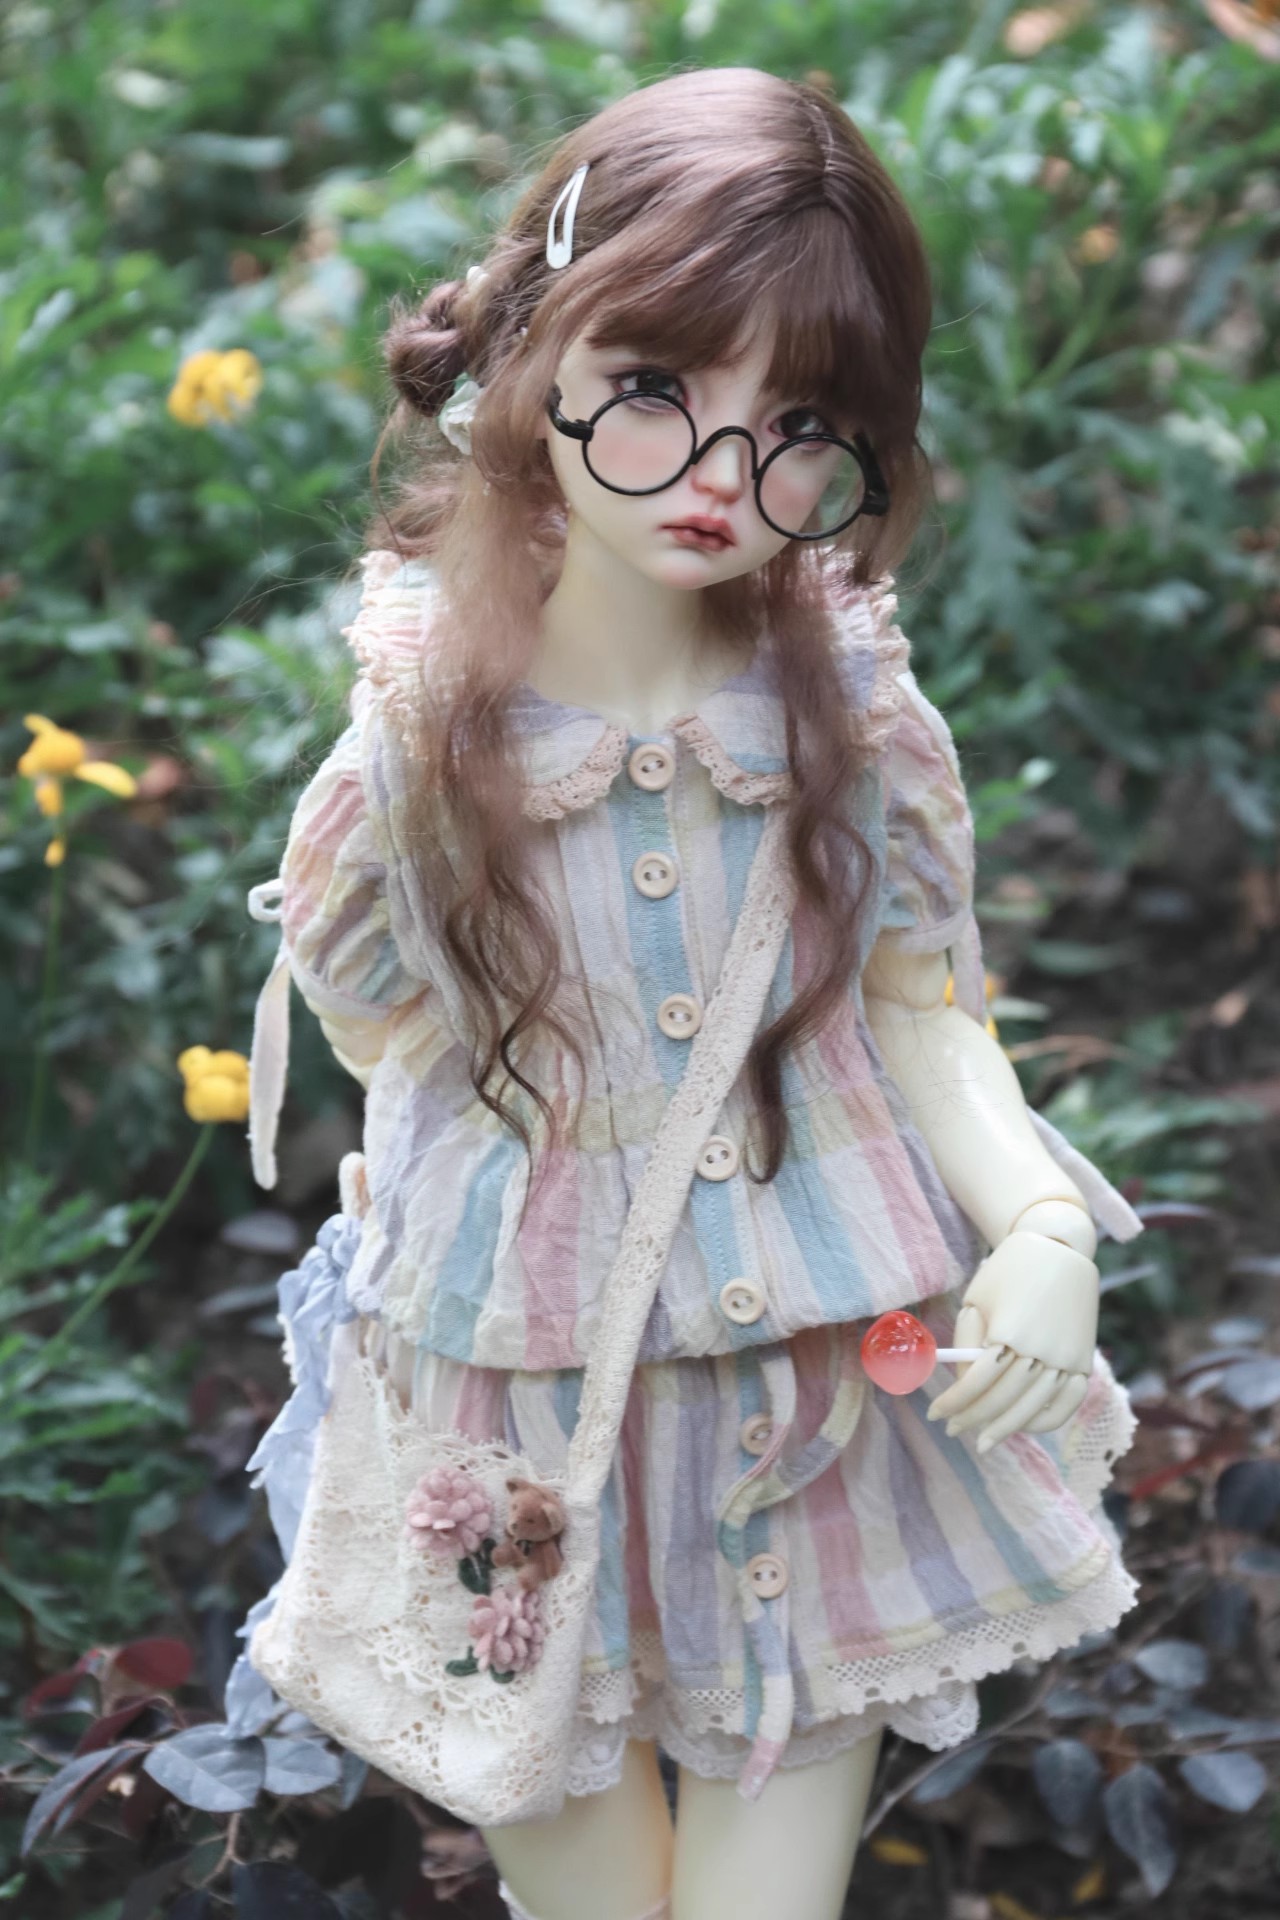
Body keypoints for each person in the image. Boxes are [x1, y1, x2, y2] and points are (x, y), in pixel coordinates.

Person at [233, 67, 1143, 1920]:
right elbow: (383, 1032)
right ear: (530, 350)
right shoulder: (414, 750)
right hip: (512, 1403)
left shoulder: (853, 714)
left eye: (802, 423)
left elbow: (921, 1002)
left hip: (815, 1400)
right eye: (657, 386)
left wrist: (1043, 1220)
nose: (726, 476)